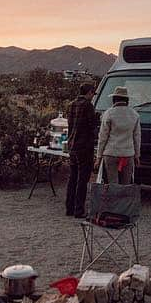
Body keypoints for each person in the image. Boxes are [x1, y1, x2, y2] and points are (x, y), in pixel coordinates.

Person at [64, 83, 98, 218]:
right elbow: (92, 126)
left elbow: (71, 125)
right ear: (89, 92)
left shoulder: (71, 104)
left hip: (73, 145)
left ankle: (69, 208)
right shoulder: (88, 106)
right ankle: (79, 210)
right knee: (82, 179)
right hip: (84, 146)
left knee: (72, 177)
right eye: (92, 93)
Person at [96, 85, 141, 184]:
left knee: (113, 183)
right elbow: (137, 137)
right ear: (127, 100)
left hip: (111, 153)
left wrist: (98, 157)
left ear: (114, 99)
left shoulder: (108, 113)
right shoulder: (134, 114)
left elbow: (103, 137)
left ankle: (113, 199)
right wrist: (137, 155)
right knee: (126, 184)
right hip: (128, 154)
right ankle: (124, 200)